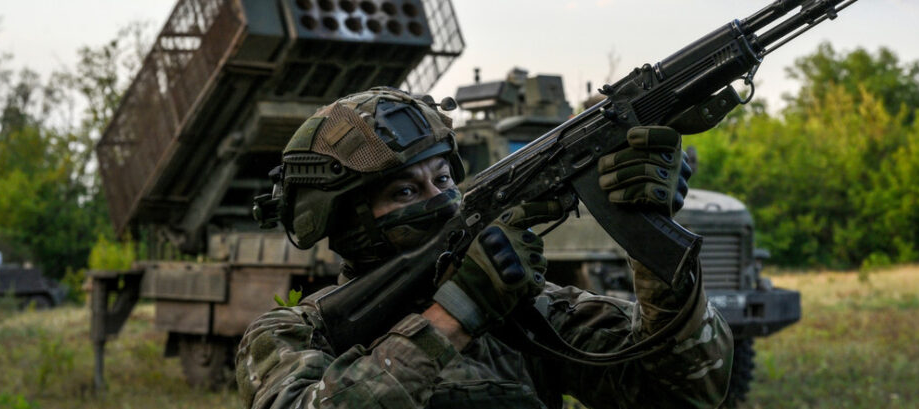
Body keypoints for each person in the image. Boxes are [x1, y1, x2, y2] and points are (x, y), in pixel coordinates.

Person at [236, 87, 733, 409]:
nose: (440, 200)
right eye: (405, 191)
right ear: (348, 222)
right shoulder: (292, 334)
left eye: (443, 178)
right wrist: (457, 313)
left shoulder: (526, 313)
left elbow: (687, 391)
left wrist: (646, 230)